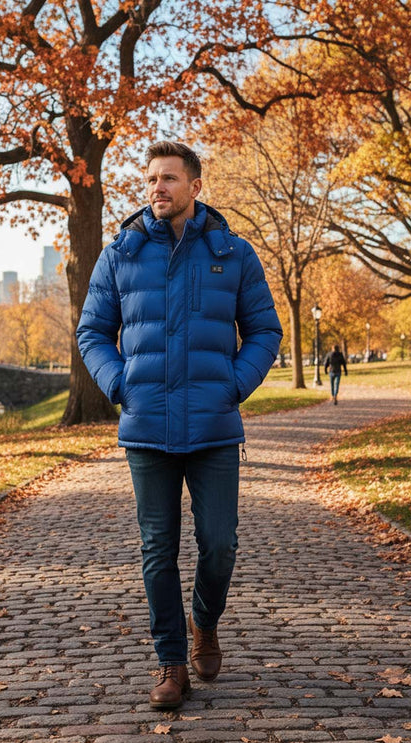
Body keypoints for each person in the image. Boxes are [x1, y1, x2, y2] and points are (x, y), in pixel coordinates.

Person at [77, 141, 282, 710]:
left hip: (214, 427)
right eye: (151, 179)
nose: (157, 188)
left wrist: (233, 385)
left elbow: (265, 331)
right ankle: (171, 661)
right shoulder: (121, 252)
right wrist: (120, 386)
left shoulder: (234, 254)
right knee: (156, 550)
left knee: (220, 545)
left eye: (169, 178)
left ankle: (205, 622)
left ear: (196, 187)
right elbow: (92, 332)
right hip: (147, 429)